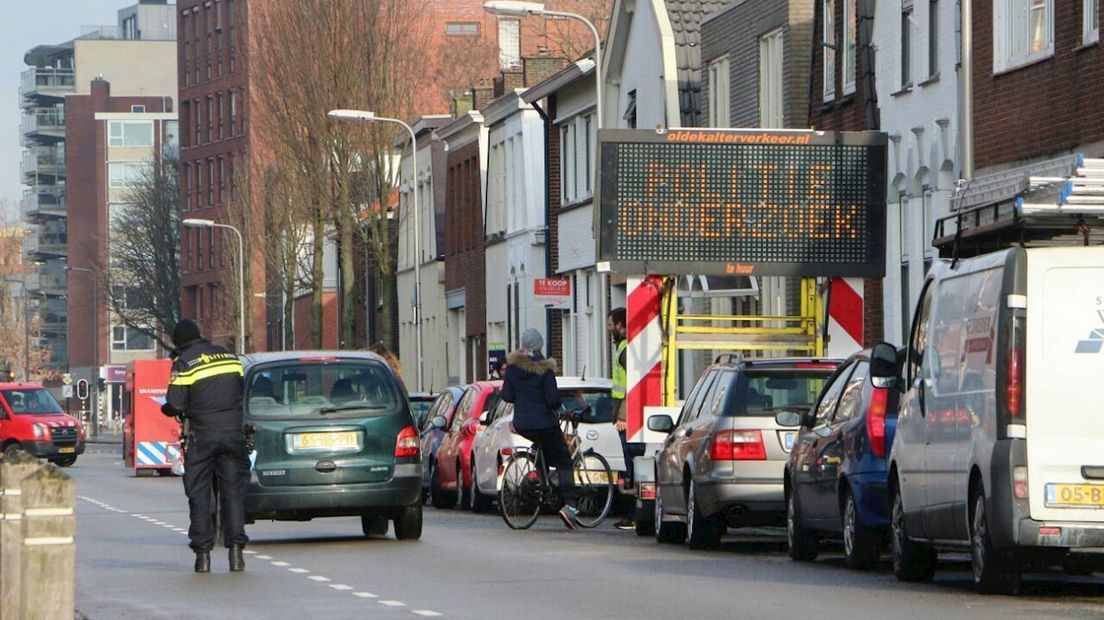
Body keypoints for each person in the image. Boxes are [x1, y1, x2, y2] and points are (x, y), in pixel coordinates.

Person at [160, 319, 250, 573]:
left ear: (179, 342)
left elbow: (175, 404)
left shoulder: (185, 362)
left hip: (203, 436)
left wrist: (167, 407)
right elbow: (239, 392)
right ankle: (236, 554)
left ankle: (203, 556)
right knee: (233, 494)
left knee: (200, 495)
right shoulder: (230, 357)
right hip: (234, 433)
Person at [501, 328, 579, 530]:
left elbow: (507, 396)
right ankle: (569, 505)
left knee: (541, 448)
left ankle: (543, 483)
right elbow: (553, 400)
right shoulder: (545, 369)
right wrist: (560, 409)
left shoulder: (512, 368)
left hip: (522, 424)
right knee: (563, 459)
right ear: (539, 345)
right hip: (544, 422)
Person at [608, 307, 643, 531]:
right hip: (628, 415)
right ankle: (633, 515)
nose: (610, 328)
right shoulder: (624, 348)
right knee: (632, 467)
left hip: (627, 418)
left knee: (632, 468)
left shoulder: (624, 351)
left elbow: (633, 385)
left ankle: (634, 515)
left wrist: (623, 416)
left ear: (620, 325)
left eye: (611, 325)